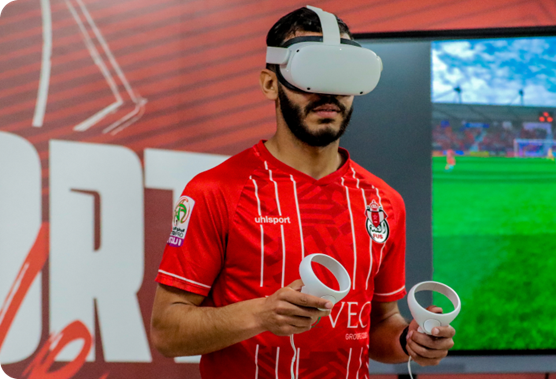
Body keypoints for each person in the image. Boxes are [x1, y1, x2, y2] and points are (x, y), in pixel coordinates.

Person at [150, 7, 455, 378]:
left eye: (342, 75)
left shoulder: (384, 202)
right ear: (270, 84)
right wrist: (260, 314)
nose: (327, 93)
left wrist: (409, 340)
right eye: (310, 73)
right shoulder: (215, 191)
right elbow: (167, 332)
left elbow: (378, 325)